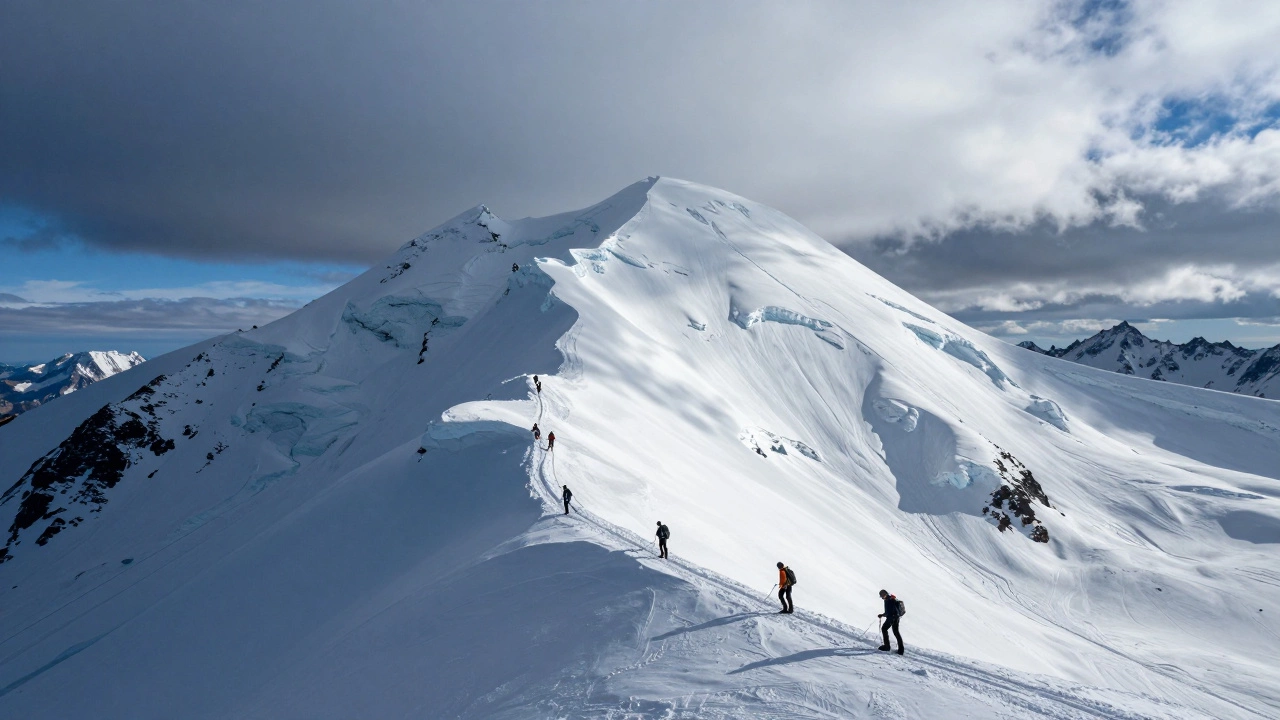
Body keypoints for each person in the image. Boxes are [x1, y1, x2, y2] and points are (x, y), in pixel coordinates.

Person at [877, 589, 904, 655]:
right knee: (896, 632)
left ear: (884, 594)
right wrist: (883, 615)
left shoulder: (888, 600)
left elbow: (888, 612)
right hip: (896, 618)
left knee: (884, 628)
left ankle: (887, 646)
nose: (882, 597)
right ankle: (901, 650)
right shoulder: (892, 599)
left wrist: (883, 615)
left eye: (882, 596)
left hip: (891, 618)